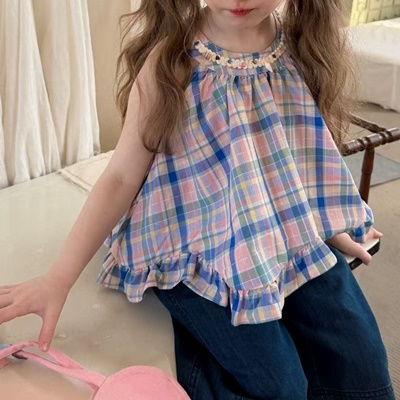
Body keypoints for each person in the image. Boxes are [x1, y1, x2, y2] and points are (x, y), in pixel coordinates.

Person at [0, 1, 395, 399]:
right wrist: (56, 280)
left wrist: (324, 225)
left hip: (279, 230)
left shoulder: (299, 46)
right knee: (282, 386)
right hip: (194, 246)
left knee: (363, 363)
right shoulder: (171, 61)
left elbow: (295, 151)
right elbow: (121, 176)